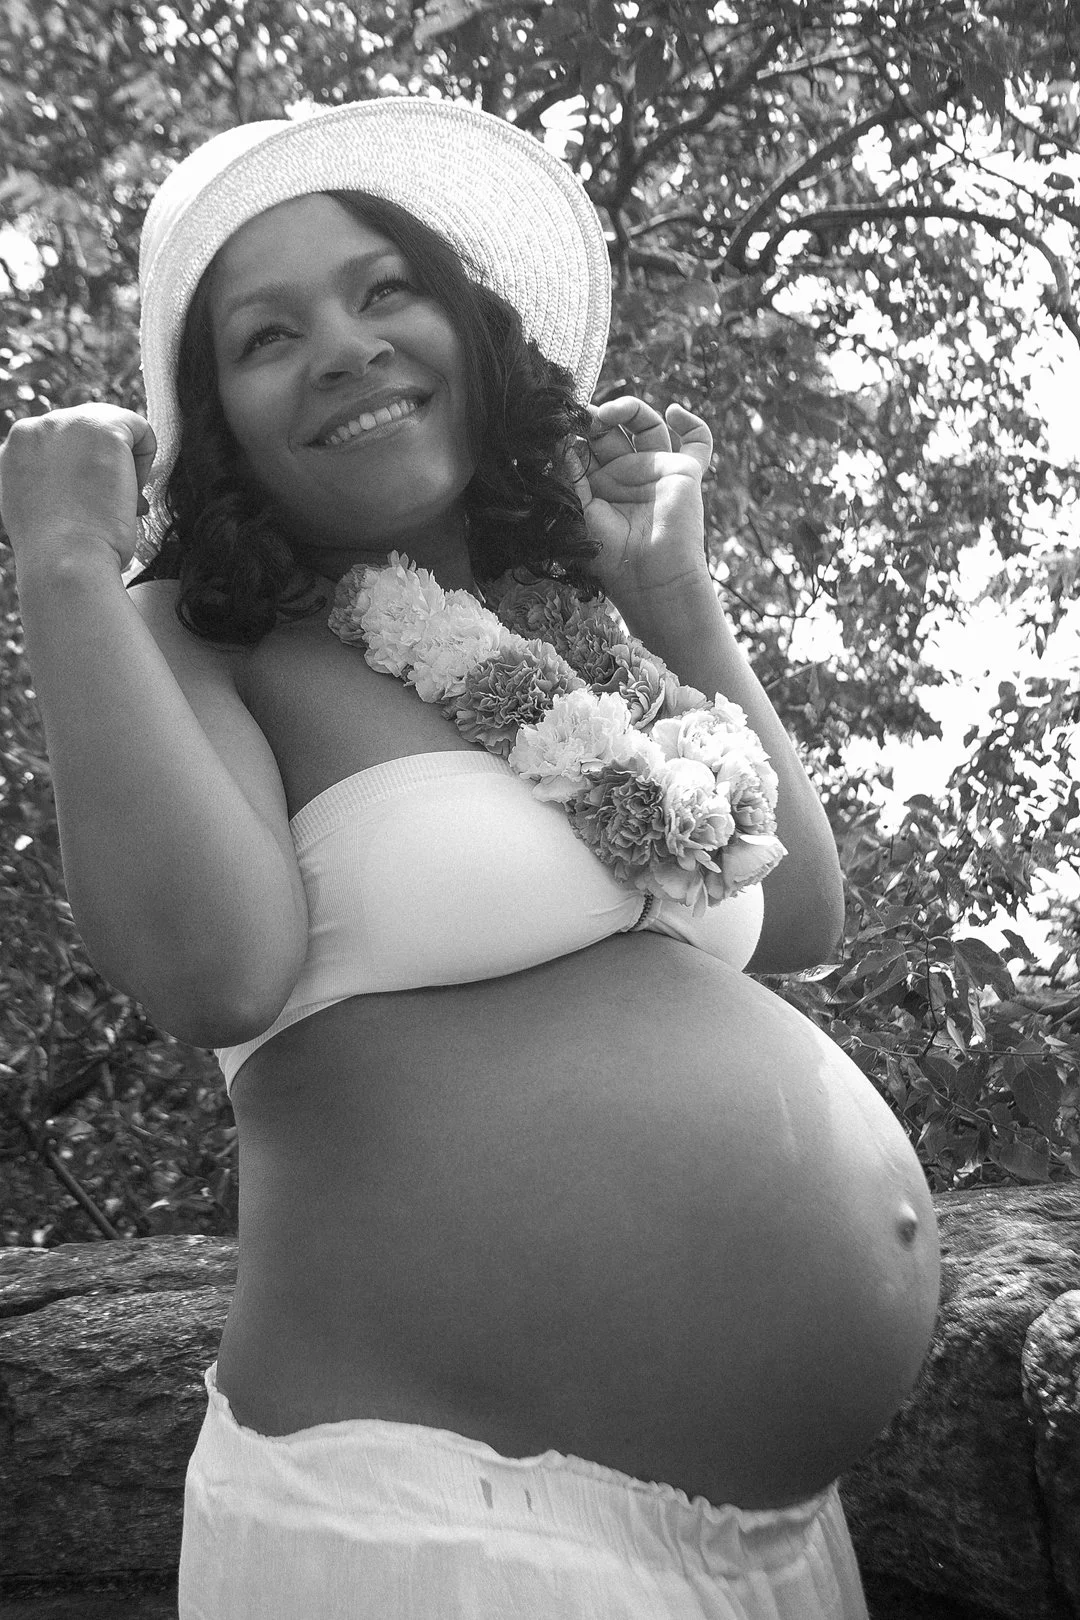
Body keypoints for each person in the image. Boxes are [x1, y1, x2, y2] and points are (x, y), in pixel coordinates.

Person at [1, 96, 940, 1620]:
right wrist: (61, 567)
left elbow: (799, 912)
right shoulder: (204, 634)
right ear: (222, 417)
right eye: (267, 334)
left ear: (468, 328)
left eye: (386, 290)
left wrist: (676, 604)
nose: (348, 345)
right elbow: (209, 970)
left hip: (778, 1549)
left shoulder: (568, 627)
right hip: (442, 1526)